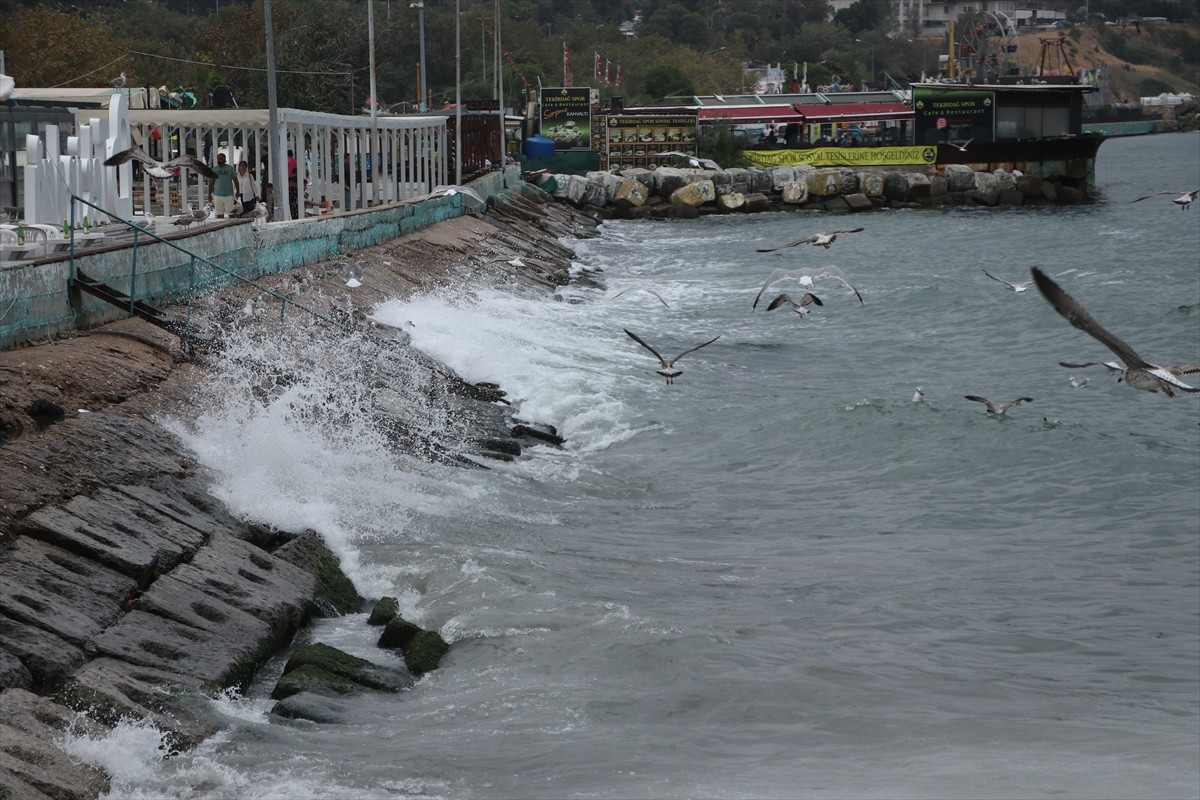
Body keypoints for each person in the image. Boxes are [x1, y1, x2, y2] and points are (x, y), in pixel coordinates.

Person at [208, 152, 237, 219]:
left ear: (225, 159)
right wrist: (209, 194)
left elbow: (236, 180)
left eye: (221, 158)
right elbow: (211, 182)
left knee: (231, 214)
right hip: (217, 195)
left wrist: (238, 191)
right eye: (218, 159)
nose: (219, 160)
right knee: (219, 215)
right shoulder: (214, 169)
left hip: (229, 195)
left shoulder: (230, 168)